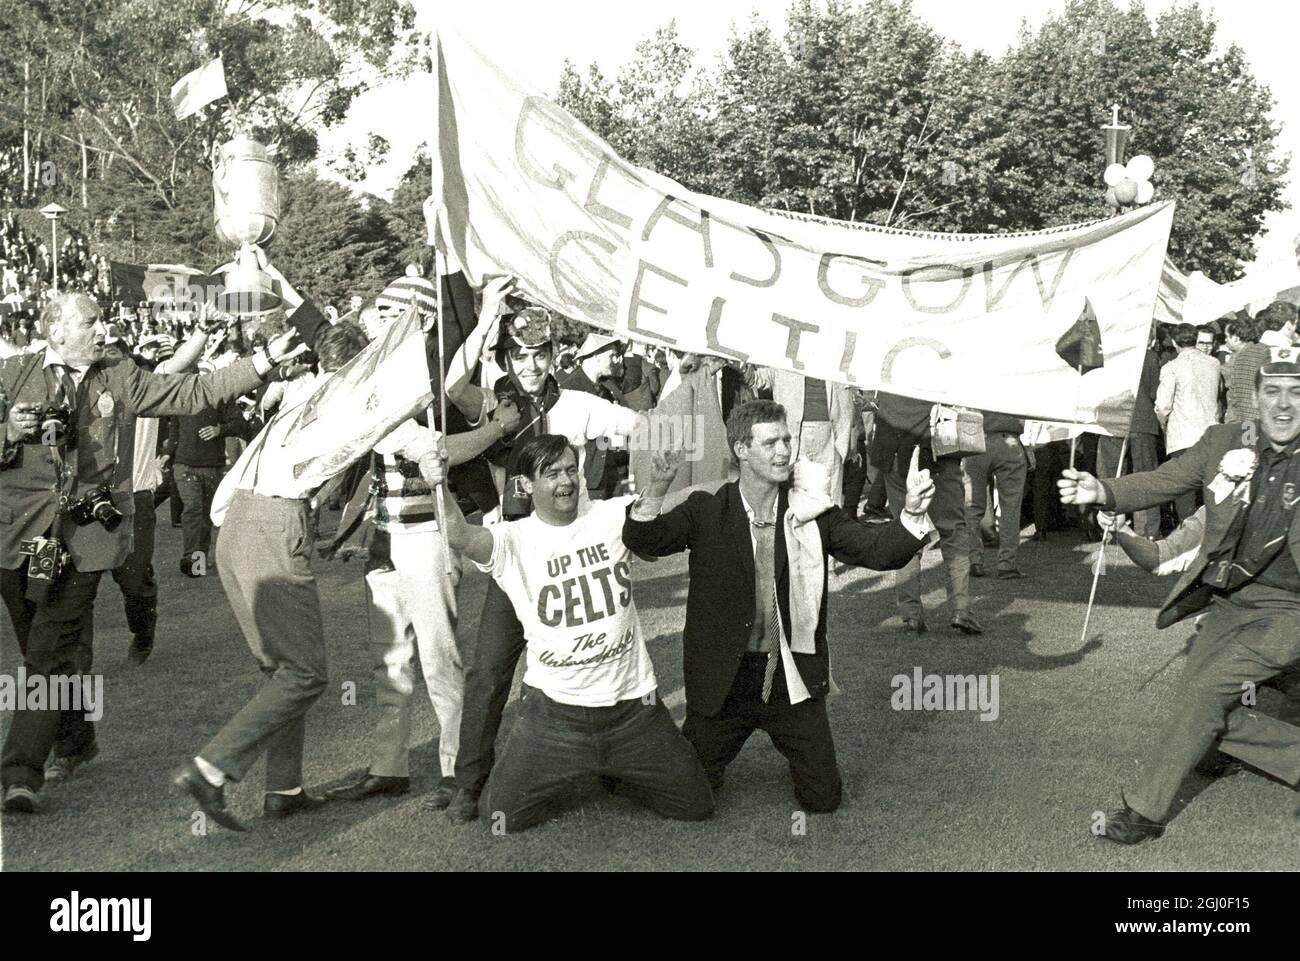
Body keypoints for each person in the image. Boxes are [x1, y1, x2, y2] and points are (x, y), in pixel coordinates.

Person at [0, 294, 298, 813]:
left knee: (47, 648)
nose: (102, 328)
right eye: (91, 322)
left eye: (102, 318)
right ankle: (77, 741)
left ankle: (19, 773)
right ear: (55, 330)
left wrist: (263, 362)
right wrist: (8, 431)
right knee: (45, 648)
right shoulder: (12, 375)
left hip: (86, 535)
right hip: (22, 537)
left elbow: (195, 391)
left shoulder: (119, 374)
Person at [171, 323, 440, 831]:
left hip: (235, 524)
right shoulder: (357, 402)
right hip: (272, 523)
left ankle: (284, 789)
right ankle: (209, 769)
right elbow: (415, 436)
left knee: (282, 670)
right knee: (304, 673)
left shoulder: (302, 392)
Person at [622, 400, 934, 811]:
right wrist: (658, 488)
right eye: (770, 443)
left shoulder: (812, 512)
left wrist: (911, 512)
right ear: (741, 449)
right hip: (725, 684)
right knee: (689, 796)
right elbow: (646, 541)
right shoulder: (707, 511)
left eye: (786, 440)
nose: (784, 451)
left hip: (791, 678)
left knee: (823, 800)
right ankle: (623, 764)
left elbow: (878, 551)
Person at [1059, 345, 1300, 844]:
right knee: (1203, 710)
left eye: (1297, 393)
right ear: (1254, 398)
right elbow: (1165, 480)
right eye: (1272, 391)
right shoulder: (1227, 441)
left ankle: (1143, 812)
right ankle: (1234, 752)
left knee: (1204, 695)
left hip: (1290, 609)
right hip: (1230, 601)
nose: (1284, 405)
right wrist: (1102, 491)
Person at [427, 434, 714, 832]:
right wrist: (438, 484)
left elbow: (645, 521)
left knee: (695, 803)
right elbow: (459, 536)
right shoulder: (514, 540)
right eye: (551, 473)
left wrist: (661, 484)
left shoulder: (611, 516)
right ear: (525, 485)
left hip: (632, 708)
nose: (566, 481)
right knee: (500, 816)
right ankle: (578, 766)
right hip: (555, 715)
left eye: (569, 470)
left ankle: (615, 768)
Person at [440, 282, 645, 825]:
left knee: (591, 658)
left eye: (539, 354)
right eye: (518, 354)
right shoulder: (492, 402)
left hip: (573, 558)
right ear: (506, 356)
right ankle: (468, 783)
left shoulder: (578, 404)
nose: (530, 365)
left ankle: (611, 758)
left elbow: (648, 429)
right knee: (488, 673)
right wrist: (484, 317)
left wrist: (617, 492)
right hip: (515, 554)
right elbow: (450, 382)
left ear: (554, 355)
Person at [325, 334, 522, 809]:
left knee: (439, 661)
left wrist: (494, 429)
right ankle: (389, 767)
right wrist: (495, 428)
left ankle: (458, 769)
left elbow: (445, 450)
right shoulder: (365, 405)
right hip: (387, 541)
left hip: (423, 540)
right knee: (390, 661)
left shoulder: (394, 404)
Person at [871, 391, 982, 635]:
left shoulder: (889, 368)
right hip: (936, 457)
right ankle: (962, 609)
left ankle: (910, 613)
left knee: (906, 532)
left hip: (895, 457)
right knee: (954, 533)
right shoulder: (936, 369)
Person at [1155, 323, 1222, 522]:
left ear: (1174, 342)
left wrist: (1163, 424)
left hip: (1183, 436)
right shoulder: (1213, 364)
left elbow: (1163, 405)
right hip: (1210, 433)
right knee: (1209, 489)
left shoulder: (1172, 367)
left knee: (1184, 490)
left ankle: (1187, 537)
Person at [965, 410, 1027, 579]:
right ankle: (1007, 564)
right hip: (1010, 441)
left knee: (972, 506)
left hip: (977, 438)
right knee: (1011, 507)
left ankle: (974, 561)